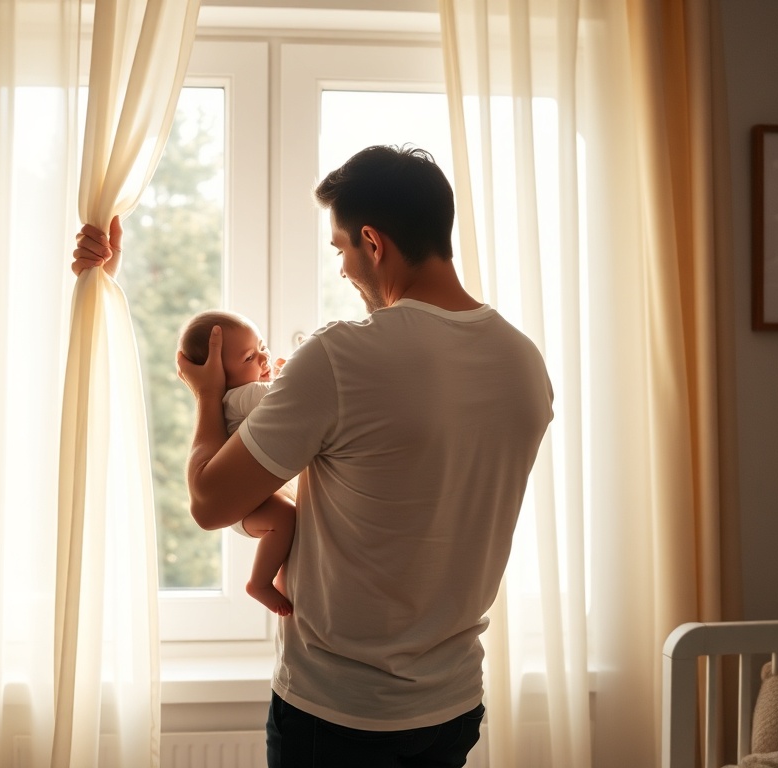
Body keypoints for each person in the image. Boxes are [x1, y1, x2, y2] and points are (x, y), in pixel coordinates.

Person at [75, 145, 554, 768]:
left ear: (373, 243)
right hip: (454, 706)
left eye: (341, 251)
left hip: (340, 714)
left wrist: (207, 396)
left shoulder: (342, 357)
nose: (343, 270)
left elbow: (209, 503)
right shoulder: (524, 363)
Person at [178, 310, 296, 616]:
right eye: (248, 358)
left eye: (262, 346)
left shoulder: (230, 399)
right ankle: (259, 583)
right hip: (247, 504)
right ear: (221, 375)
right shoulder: (244, 395)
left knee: (287, 518)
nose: (263, 357)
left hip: (243, 503)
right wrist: (292, 373)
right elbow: (287, 398)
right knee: (285, 516)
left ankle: (265, 581)